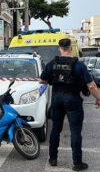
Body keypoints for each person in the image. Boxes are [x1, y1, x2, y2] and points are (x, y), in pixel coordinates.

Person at [40, 38, 100, 171]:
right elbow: (91, 86)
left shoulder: (51, 64)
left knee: (56, 129)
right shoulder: (79, 65)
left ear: (59, 48)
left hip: (57, 100)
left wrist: (53, 81)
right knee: (75, 131)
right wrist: (98, 98)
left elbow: (42, 80)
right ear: (71, 48)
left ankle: (53, 159)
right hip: (73, 100)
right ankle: (77, 163)